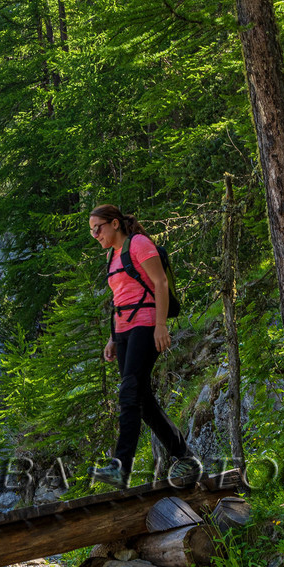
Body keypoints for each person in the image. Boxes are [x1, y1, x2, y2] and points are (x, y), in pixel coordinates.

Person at [89, 204, 197, 487]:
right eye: (91, 231)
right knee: (144, 403)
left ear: (114, 223)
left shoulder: (139, 244)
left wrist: (161, 325)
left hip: (147, 324)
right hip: (124, 331)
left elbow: (160, 282)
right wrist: (113, 338)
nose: (95, 235)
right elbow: (120, 298)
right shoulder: (113, 256)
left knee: (129, 394)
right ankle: (186, 458)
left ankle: (120, 468)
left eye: (97, 228)